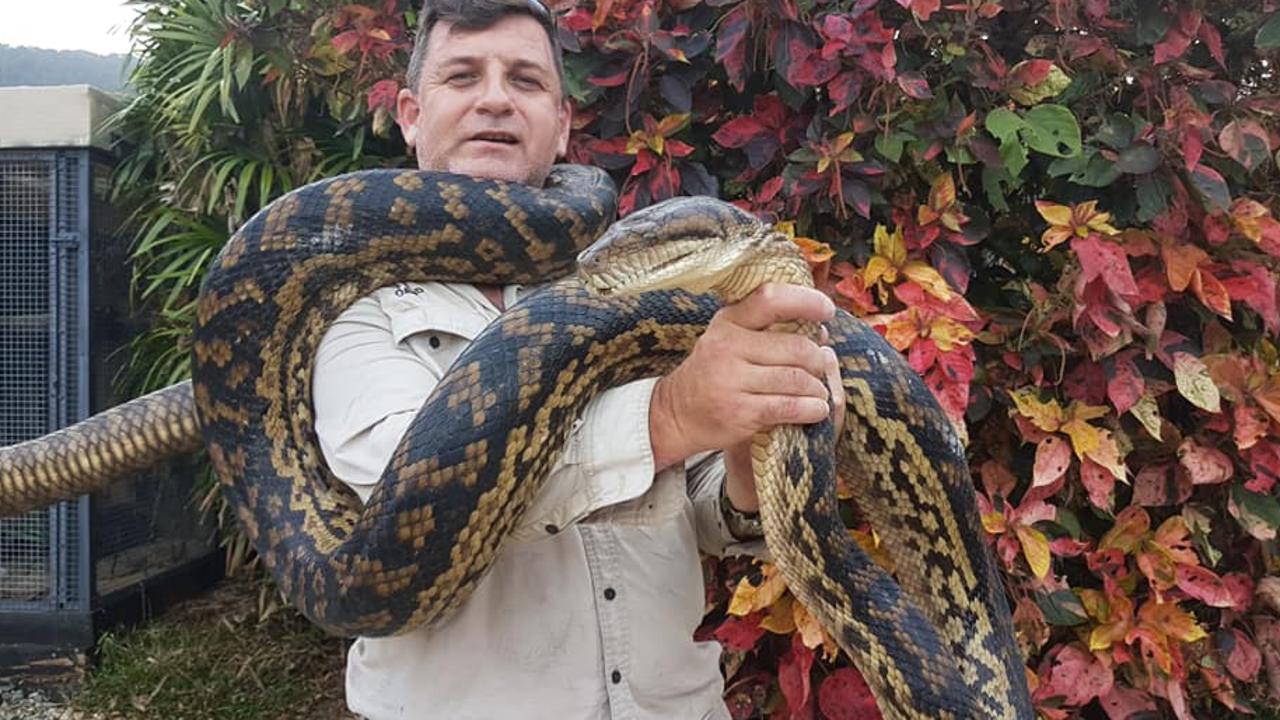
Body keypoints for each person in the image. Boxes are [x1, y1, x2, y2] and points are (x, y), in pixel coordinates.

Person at [311, 1, 845, 718]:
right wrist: (672, 412)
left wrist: (757, 439)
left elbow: (706, 518)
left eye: (526, 80)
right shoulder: (348, 311)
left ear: (561, 124)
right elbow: (409, 501)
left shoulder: (636, 286)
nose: (495, 98)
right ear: (410, 114)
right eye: (462, 76)